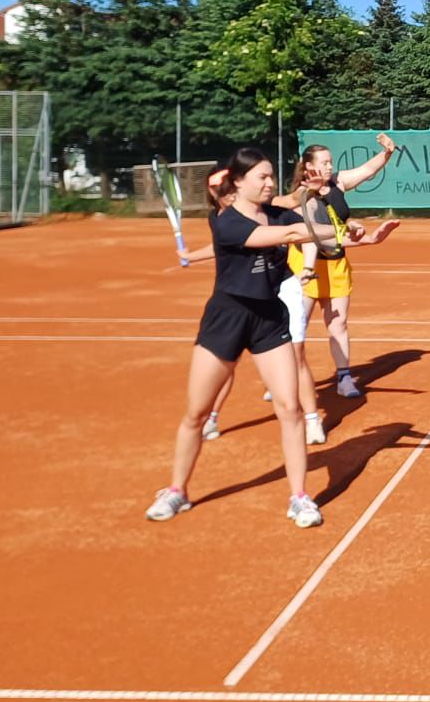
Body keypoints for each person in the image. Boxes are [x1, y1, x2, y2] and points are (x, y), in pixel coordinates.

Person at [146, 146, 327, 528]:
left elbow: (308, 221)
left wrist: (360, 235)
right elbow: (295, 231)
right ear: (239, 181)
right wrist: (325, 229)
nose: (269, 182)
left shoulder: (278, 212)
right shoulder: (227, 223)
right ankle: (177, 490)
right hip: (226, 319)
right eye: (261, 177)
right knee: (196, 413)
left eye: (271, 176)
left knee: (290, 409)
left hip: (268, 318)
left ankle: (299, 496)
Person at [284, 135, 401, 399]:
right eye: (323, 163)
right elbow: (314, 234)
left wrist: (387, 153)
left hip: (336, 264)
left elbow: (368, 170)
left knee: (339, 324)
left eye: (330, 163)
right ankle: (283, 375)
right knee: (295, 326)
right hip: (305, 266)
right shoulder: (301, 197)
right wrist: (358, 234)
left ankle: (343, 378)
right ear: (308, 167)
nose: (328, 167)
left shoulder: (338, 182)